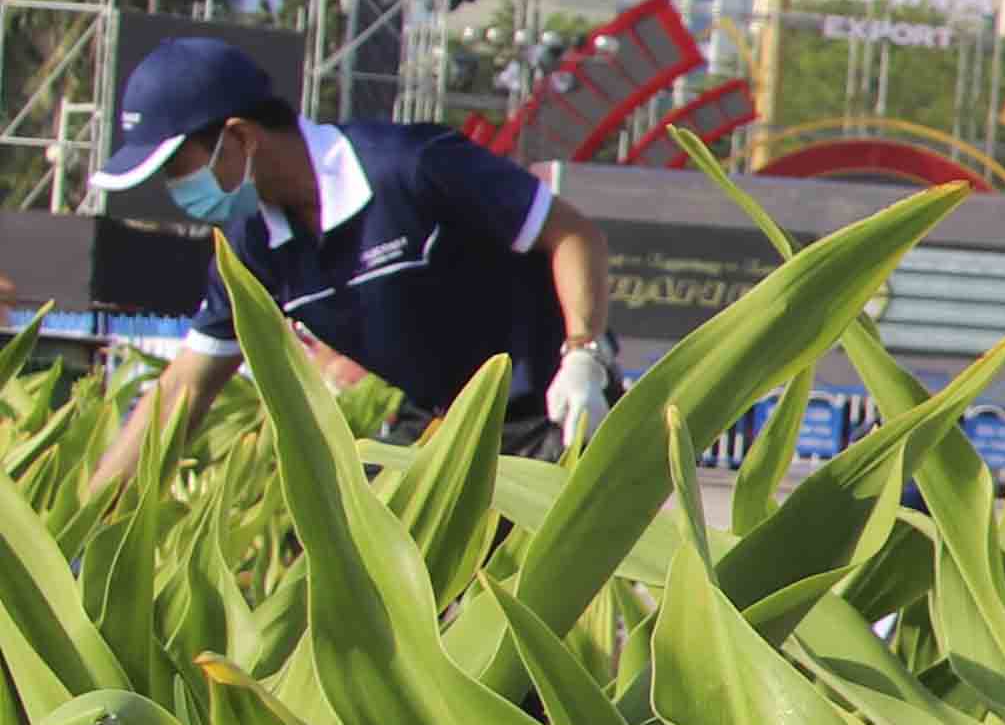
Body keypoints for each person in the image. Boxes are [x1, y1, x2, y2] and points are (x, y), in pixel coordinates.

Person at [87, 35, 614, 483]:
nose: (174, 188)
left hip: (554, 410)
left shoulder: (409, 167)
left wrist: (583, 354)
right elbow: (184, 389)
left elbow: (574, 236)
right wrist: (88, 519)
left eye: (179, 166)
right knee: (350, 574)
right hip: (442, 424)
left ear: (240, 137)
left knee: (546, 593)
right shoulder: (250, 249)